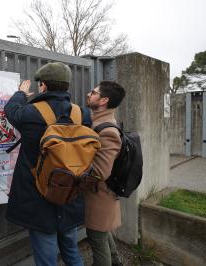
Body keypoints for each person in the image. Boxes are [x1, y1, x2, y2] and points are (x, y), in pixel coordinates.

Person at [4, 62, 84, 266]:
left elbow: (11, 110)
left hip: (39, 198)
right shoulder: (82, 114)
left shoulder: (31, 113)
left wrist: (21, 93)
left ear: (44, 86)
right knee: (71, 250)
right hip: (69, 193)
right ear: (66, 85)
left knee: (46, 257)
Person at [85, 81, 125, 266]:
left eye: (93, 92)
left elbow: (100, 171)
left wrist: (72, 171)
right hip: (101, 196)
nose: (88, 94)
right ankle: (117, 262)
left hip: (100, 197)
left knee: (97, 239)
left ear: (104, 100)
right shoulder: (100, 121)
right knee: (103, 233)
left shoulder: (107, 130)